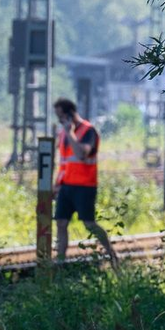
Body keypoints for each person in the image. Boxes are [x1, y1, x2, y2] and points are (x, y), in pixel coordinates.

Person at [53, 97, 116, 264]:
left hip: (85, 186)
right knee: (61, 223)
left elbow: (81, 154)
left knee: (89, 224)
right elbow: (64, 162)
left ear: (69, 115)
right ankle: (60, 262)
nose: (59, 120)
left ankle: (112, 255)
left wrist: (70, 133)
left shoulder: (88, 131)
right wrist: (57, 184)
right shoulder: (63, 134)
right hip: (66, 186)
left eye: (60, 116)